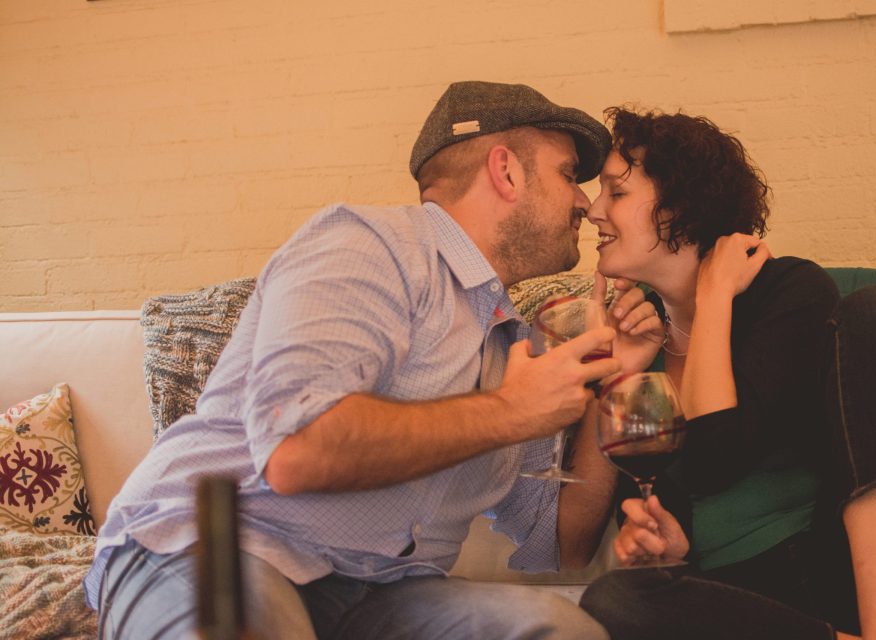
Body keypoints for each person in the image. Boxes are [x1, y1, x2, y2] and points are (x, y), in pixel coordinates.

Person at [83, 81, 654, 639]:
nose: (584, 202)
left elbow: (562, 543)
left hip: (384, 593)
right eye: (567, 174)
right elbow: (297, 450)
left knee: (559, 629)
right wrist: (510, 410)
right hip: (224, 547)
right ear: (505, 171)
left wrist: (618, 378)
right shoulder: (371, 246)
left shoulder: (513, 345)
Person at [577, 108, 876, 639]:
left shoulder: (790, 291)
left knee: (875, 310)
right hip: (750, 601)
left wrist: (713, 297)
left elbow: (715, 455)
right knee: (612, 599)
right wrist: (667, 545)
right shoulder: (638, 336)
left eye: (616, 192)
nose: (593, 211)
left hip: (846, 573)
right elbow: (637, 517)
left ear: (682, 206)